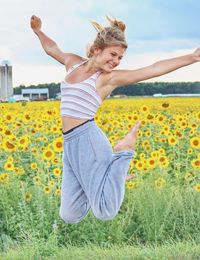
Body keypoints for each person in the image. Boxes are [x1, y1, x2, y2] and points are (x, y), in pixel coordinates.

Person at [30, 14, 200, 223]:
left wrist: (192, 57)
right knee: (69, 215)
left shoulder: (107, 79)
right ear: (96, 50)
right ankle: (111, 177)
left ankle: (123, 155)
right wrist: (38, 31)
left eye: (120, 57)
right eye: (113, 54)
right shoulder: (73, 64)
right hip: (70, 144)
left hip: (88, 140)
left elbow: (152, 69)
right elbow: (52, 49)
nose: (116, 61)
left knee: (105, 211)